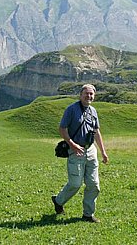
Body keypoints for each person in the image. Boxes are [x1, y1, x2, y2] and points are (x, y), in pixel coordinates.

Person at [52, 84, 109, 223]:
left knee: (94, 184)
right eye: (86, 93)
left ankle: (88, 214)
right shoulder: (71, 109)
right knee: (75, 183)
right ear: (80, 94)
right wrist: (73, 145)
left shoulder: (93, 111)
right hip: (75, 150)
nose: (89, 96)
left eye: (91, 94)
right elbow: (62, 129)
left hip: (90, 150)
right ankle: (58, 201)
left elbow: (96, 132)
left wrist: (103, 152)